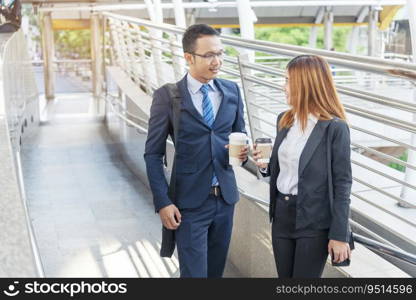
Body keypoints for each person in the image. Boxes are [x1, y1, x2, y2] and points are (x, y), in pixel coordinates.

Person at [144, 24, 248, 278]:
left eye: (220, 54)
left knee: (214, 274)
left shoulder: (232, 91)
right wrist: (163, 203)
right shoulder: (168, 97)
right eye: (209, 55)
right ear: (189, 57)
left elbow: (240, 137)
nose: (217, 61)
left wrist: (243, 156)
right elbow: (153, 154)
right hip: (189, 204)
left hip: (225, 200)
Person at [253, 55, 352, 278]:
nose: (283, 86)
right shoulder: (284, 120)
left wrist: (339, 234)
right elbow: (281, 170)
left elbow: (342, 184)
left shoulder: (335, 128)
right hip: (281, 216)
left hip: (313, 221)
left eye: (288, 80)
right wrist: (264, 165)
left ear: (305, 84)